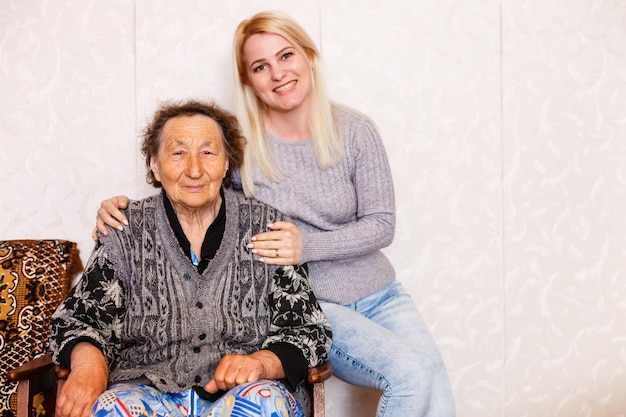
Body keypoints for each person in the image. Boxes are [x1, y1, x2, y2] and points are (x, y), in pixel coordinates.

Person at [93, 10, 454, 417]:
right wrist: (120, 211)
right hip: (316, 304)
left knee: (436, 389)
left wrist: (306, 245)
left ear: (309, 57)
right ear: (248, 80)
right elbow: (199, 201)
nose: (278, 73)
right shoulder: (240, 148)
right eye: (261, 66)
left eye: (286, 56)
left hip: (382, 294)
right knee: (410, 374)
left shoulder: (355, 130)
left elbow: (382, 225)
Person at [50, 99, 331, 417]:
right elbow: (78, 320)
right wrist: (89, 364)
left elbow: (309, 330)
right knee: (112, 408)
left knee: (264, 401)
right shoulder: (125, 228)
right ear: (155, 165)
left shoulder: (265, 226)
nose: (195, 169)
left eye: (208, 152)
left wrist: (262, 362)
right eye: (178, 152)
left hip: (243, 393)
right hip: (147, 389)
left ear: (226, 163)